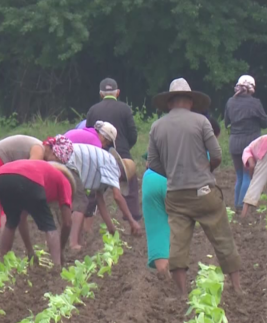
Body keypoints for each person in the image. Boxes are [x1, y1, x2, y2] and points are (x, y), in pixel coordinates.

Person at [148, 78, 241, 295]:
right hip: (204, 191)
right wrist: (206, 170)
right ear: (190, 101)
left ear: (170, 103)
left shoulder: (156, 127)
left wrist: (172, 173)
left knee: (178, 244)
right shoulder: (201, 122)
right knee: (222, 238)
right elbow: (217, 155)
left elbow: (153, 163)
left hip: (176, 195)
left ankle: (181, 293)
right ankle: (237, 289)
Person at [143, 116, 222, 280]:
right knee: (180, 226)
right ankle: (178, 276)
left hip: (152, 179)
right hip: (178, 183)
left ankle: (163, 273)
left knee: (157, 228)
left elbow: (148, 161)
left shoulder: (163, 131)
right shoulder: (200, 142)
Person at [0, 160, 75, 268]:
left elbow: (22, 219)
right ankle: (57, 266)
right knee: (49, 225)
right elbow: (67, 223)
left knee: (12, 220)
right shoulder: (65, 181)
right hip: (28, 179)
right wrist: (60, 251)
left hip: (0, 178)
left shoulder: (42, 170)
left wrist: (30, 251)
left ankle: (3, 262)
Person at [0, 135, 45, 257]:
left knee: (19, 210)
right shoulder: (40, 150)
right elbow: (28, 173)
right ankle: (4, 256)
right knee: (8, 208)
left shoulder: (41, 148)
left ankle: (26, 252)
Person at [66, 143, 142, 250]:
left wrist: (111, 228)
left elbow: (100, 201)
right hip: (69, 161)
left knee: (74, 203)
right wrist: (132, 221)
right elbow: (117, 196)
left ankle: (74, 242)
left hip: (71, 161)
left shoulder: (104, 169)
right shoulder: (113, 166)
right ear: (122, 175)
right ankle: (73, 244)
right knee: (81, 202)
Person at [86, 78, 141, 221]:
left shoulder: (93, 110)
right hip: (121, 158)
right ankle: (133, 219)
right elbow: (133, 135)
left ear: (101, 94)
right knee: (131, 187)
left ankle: (86, 215)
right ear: (117, 93)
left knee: (92, 192)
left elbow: (89, 135)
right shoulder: (125, 109)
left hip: (99, 158)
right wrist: (124, 149)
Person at [224, 75, 267, 211]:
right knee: (247, 175)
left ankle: (236, 204)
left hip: (234, 143)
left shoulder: (230, 102)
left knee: (239, 176)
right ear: (251, 88)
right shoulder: (255, 103)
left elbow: (227, 123)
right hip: (250, 145)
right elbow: (265, 123)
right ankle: (242, 206)